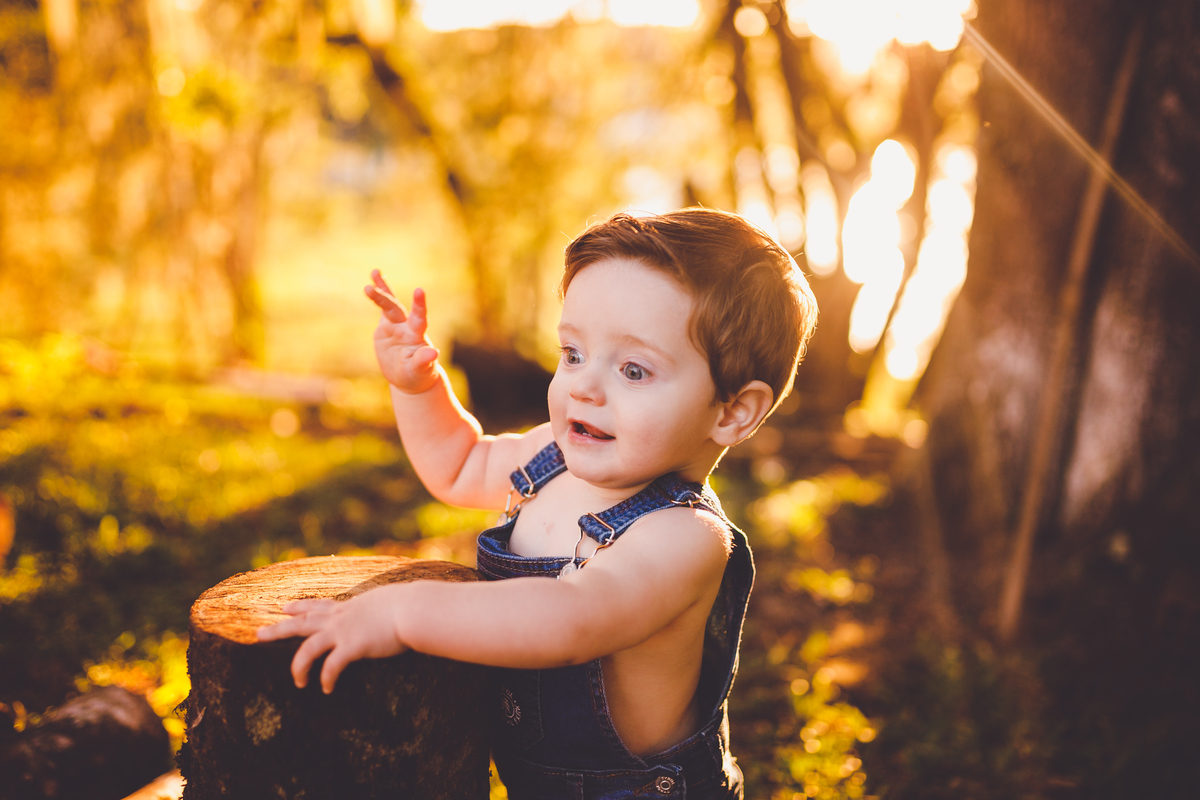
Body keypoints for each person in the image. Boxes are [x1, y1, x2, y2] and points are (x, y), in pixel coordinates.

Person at [258, 209, 818, 799]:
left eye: (633, 369)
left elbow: (572, 617)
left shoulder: (684, 537)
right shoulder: (551, 456)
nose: (583, 386)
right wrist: (419, 388)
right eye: (573, 353)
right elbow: (461, 463)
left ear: (732, 411)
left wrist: (401, 614)